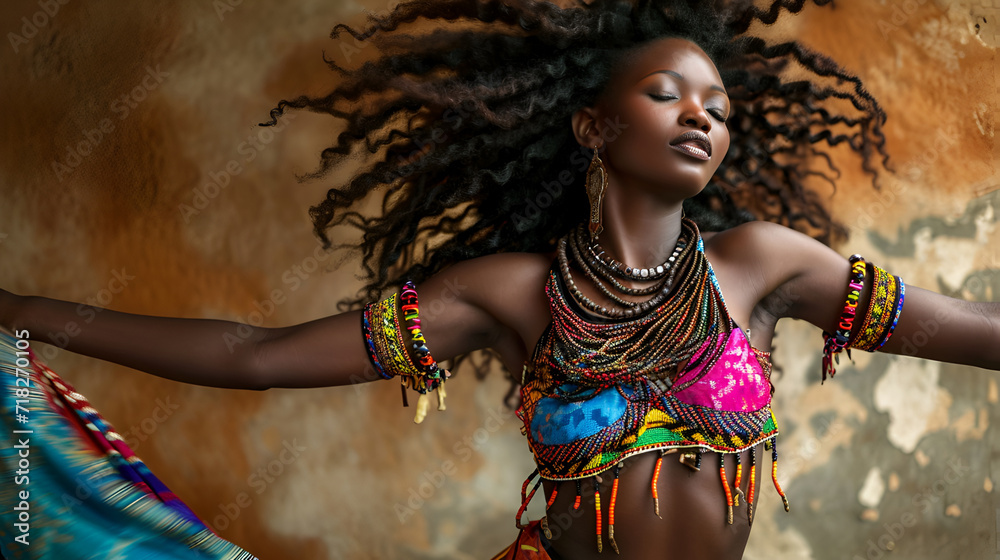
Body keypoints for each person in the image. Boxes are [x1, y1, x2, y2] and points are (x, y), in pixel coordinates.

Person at [0, 0, 997, 558]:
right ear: (594, 127)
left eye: (718, 105)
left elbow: (953, 323)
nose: (701, 115)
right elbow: (255, 355)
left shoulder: (767, 267)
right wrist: (27, 312)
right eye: (665, 93)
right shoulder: (507, 292)